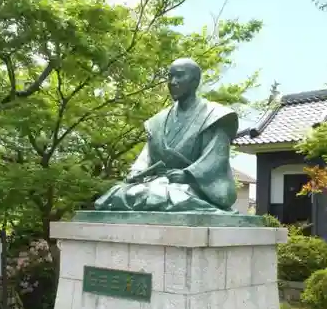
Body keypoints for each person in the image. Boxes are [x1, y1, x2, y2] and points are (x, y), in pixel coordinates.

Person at [94, 58, 239, 213]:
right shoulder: (158, 121)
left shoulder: (214, 116)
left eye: (179, 76)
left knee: (169, 196)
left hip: (194, 186)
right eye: (170, 77)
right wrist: (136, 172)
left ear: (195, 81)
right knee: (117, 194)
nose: (173, 82)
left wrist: (188, 175)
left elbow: (215, 159)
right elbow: (147, 155)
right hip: (156, 182)